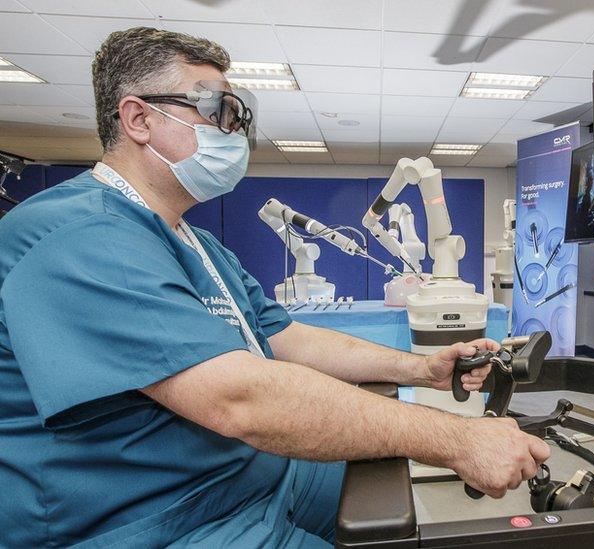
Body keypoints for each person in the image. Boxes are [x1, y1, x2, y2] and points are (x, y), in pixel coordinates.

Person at [0, 27, 549, 548]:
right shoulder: (79, 236)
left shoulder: (196, 242)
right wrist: (458, 439)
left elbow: (283, 337)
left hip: (247, 474)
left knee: (384, 500)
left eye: (240, 115)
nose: (235, 130)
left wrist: (418, 368)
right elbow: (240, 397)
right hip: (157, 516)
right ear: (139, 118)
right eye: (219, 110)